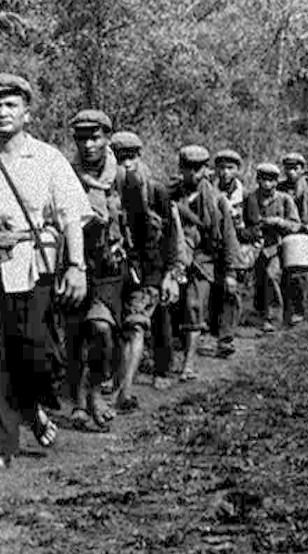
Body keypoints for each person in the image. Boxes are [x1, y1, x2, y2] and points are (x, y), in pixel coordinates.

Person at [0, 73, 93, 469]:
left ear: (27, 113)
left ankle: (30, 405)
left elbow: (71, 219)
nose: (2, 113)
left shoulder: (47, 159)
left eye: (11, 105)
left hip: (35, 268)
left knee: (35, 353)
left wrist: (76, 267)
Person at [110, 131, 184, 411]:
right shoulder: (108, 188)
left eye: (131, 157)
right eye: (120, 158)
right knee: (119, 326)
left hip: (152, 266)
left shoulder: (156, 191)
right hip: (120, 266)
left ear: (139, 157)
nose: (126, 164)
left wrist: (171, 274)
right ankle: (118, 378)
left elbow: (170, 235)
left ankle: (132, 386)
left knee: (140, 325)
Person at [64, 109, 126, 432]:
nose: (88, 144)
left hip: (109, 266)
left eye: (95, 137)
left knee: (101, 328)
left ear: (106, 138)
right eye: (82, 138)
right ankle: (76, 400)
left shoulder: (123, 176)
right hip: (74, 262)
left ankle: (96, 390)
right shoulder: (65, 173)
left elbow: (143, 222)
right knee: (74, 334)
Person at [170, 145, 242, 379]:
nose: (194, 173)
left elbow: (229, 237)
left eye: (199, 168)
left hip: (203, 261)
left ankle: (188, 364)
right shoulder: (171, 195)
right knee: (170, 308)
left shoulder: (216, 200)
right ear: (181, 168)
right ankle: (168, 357)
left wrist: (231, 272)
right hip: (174, 259)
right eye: (189, 168)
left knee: (193, 307)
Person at [244, 163, 301, 332]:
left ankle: (274, 317)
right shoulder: (250, 198)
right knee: (258, 280)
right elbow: (244, 223)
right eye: (263, 179)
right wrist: (251, 232)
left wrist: (278, 222)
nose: (267, 184)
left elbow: (296, 225)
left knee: (272, 276)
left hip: (278, 246)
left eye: (271, 180)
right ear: (258, 180)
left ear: (276, 182)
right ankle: (260, 313)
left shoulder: (285, 199)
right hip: (256, 246)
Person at [276, 152, 308, 325]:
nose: (291, 172)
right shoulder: (279, 189)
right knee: (281, 275)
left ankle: (299, 310)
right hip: (283, 235)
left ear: (302, 169)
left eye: (295, 168)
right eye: (288, 168)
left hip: (303, 237)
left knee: (300, 276)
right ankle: (284, 311)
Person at [210, 149, 246, 357]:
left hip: (236, 248)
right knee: (215, 292)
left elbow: (253, 226)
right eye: (221, 168)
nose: (225, 172)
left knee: (230, 292)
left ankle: (226, 339)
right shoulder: (210, 193)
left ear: (238, 170)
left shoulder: (245, 196)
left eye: (230, 168)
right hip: (214, 247)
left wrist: (239, 228)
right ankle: (215, 332)